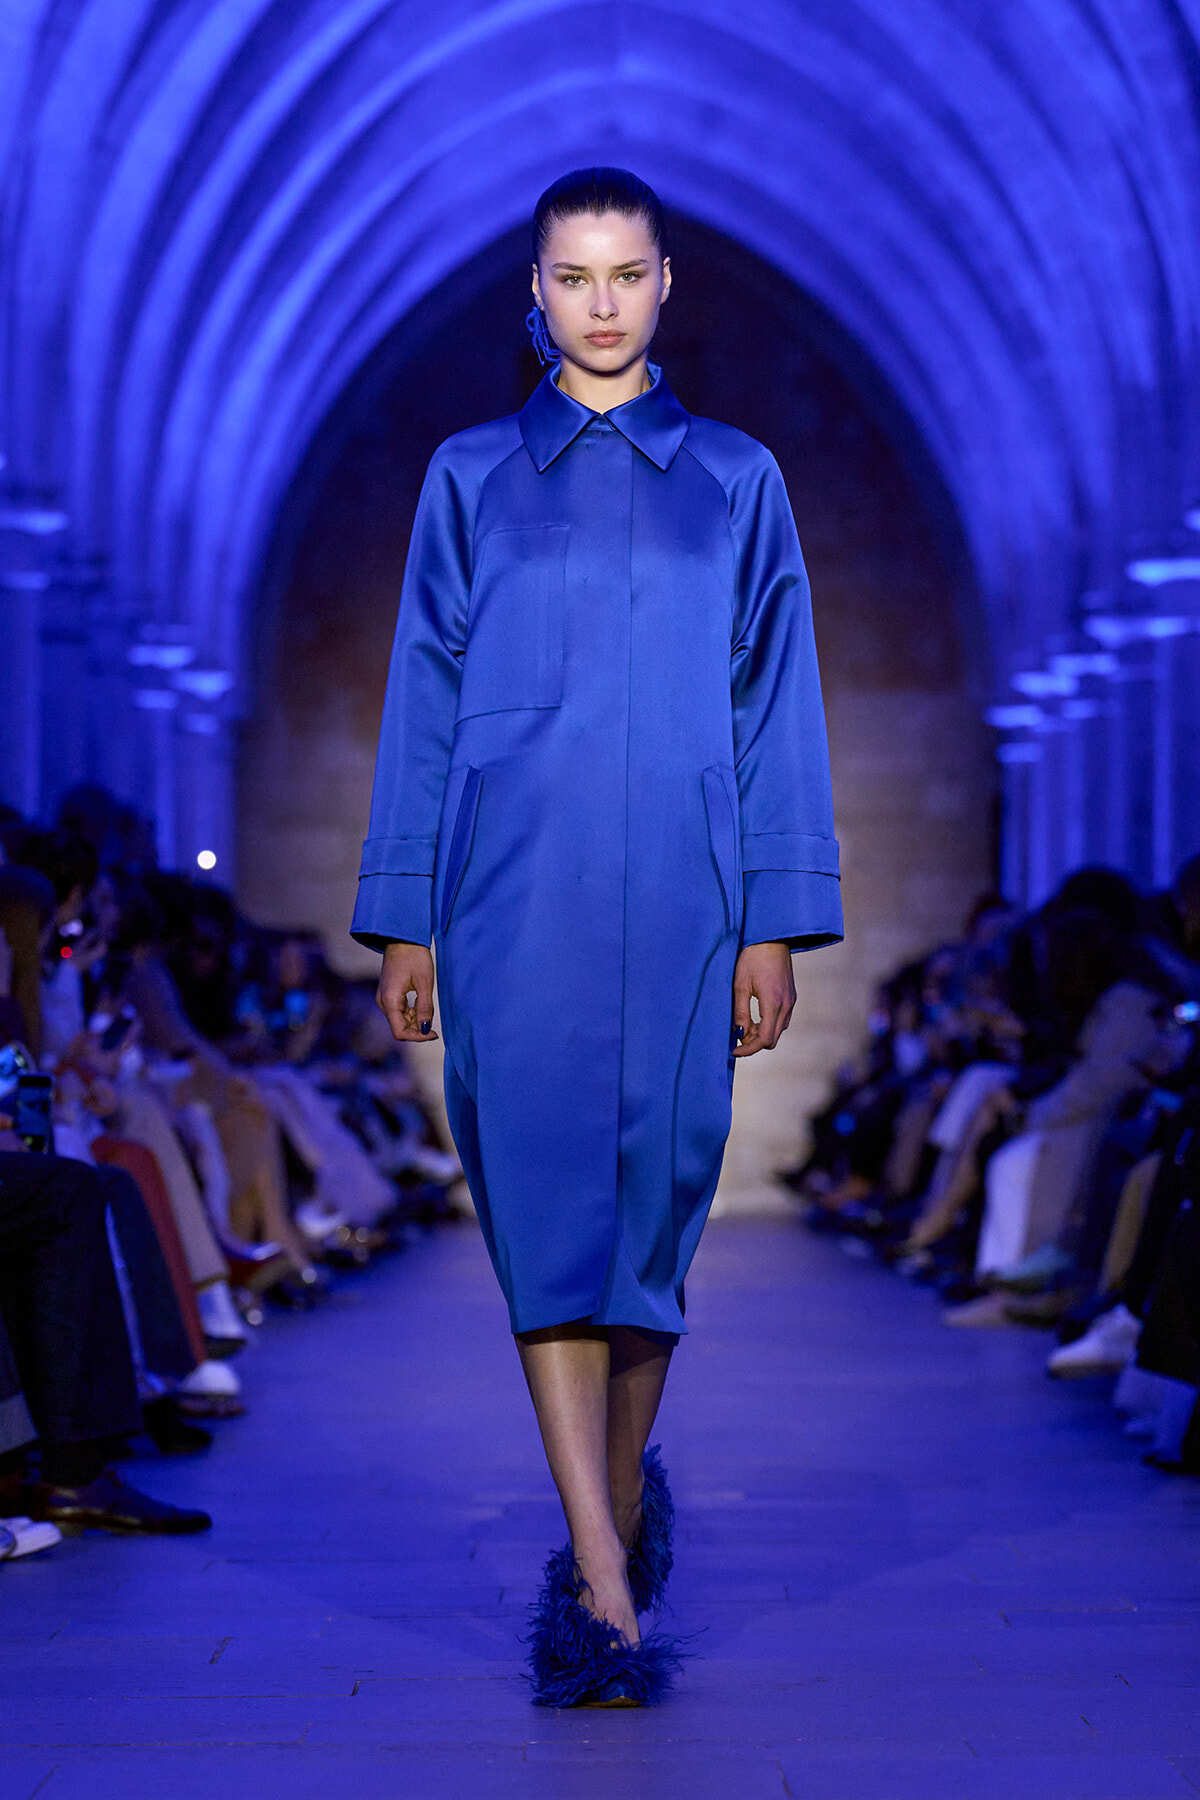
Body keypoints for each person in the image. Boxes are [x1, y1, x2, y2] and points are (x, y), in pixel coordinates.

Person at [351, 167, 842, 1706]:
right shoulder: (469, 477)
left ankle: (612, 1508)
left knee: (654, 1227)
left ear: (668, 284)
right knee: (551, 1219)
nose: (604, 301)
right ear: (537, 294)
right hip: (512, 899)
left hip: (691, 903)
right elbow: (425, 696)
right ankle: (603, 1581)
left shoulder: (740, 481)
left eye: (627, 273)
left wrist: (777, 923)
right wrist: (404, 918)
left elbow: (780, 710)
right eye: (575, 276)